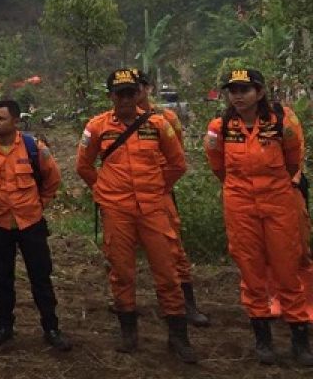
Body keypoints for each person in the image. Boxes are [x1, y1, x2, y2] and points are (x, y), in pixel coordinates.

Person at [76, 68, 197, 363]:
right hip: (117, 212)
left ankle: (178, 337)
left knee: (167, 272)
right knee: (121, 272)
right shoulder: (97, 127)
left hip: (153, 209)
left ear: (139, 93)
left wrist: (158, 188)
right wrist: (105, 191)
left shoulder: (158, 124)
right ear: (111, 96)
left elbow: (177, 164)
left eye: (132, 92)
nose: (127, 99)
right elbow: (84, 166)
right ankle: (128, 333)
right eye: (121, 93)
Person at [204, 68, 313, 366]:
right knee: (250, 270)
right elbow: (218, 167)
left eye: (245, 89)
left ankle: (300, 339)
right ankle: (262, 338)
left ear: (260, 92)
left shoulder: (282, 120)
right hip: (240, 205)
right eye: (233, 90)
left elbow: (293, 161)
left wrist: (273, 187)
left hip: (279, 202)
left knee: (288, 268)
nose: (238, 96)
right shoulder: (220, 126)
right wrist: (241, 191)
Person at [0, 99, 70, 351]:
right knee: (2, 278)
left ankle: (51, 327)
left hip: (31, 224)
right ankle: (4, 325)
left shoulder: (33, 148)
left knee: (40, 277)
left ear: (15, 121)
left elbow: (53, 179)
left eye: (0, 118)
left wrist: (39, 204)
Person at [136, 71, 209, 327]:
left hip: (159, 194)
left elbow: (176, 157)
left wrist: (161, 187)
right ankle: (123, 303)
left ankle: (186, 304)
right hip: (124, 198)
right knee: (119, 252)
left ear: (148, 88)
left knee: (173, 248)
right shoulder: (110, 122)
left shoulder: (166, 118)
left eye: (138, 87)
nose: (133, 94)